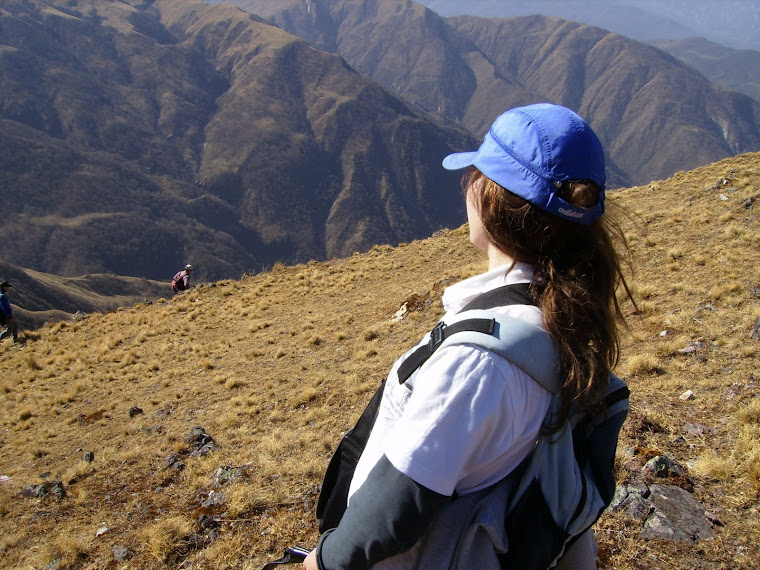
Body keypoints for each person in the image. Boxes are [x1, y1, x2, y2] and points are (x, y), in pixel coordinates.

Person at [303, 103, 632, 570]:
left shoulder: (478, 363)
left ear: (491, 197)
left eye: (477, 173)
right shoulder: (559, 318)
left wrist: (322, 561)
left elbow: (394, 508)